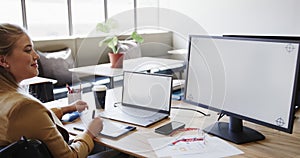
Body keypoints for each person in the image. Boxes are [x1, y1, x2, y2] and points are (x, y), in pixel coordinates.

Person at [0, 23, 123, 158]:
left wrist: (66, 109)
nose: (36, 56)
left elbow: (32, 121)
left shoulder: (9, 102)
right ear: (3, 60)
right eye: (28, 50)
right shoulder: (24, 106)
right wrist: (90, 132)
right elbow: (70, 156)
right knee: (121, 152)